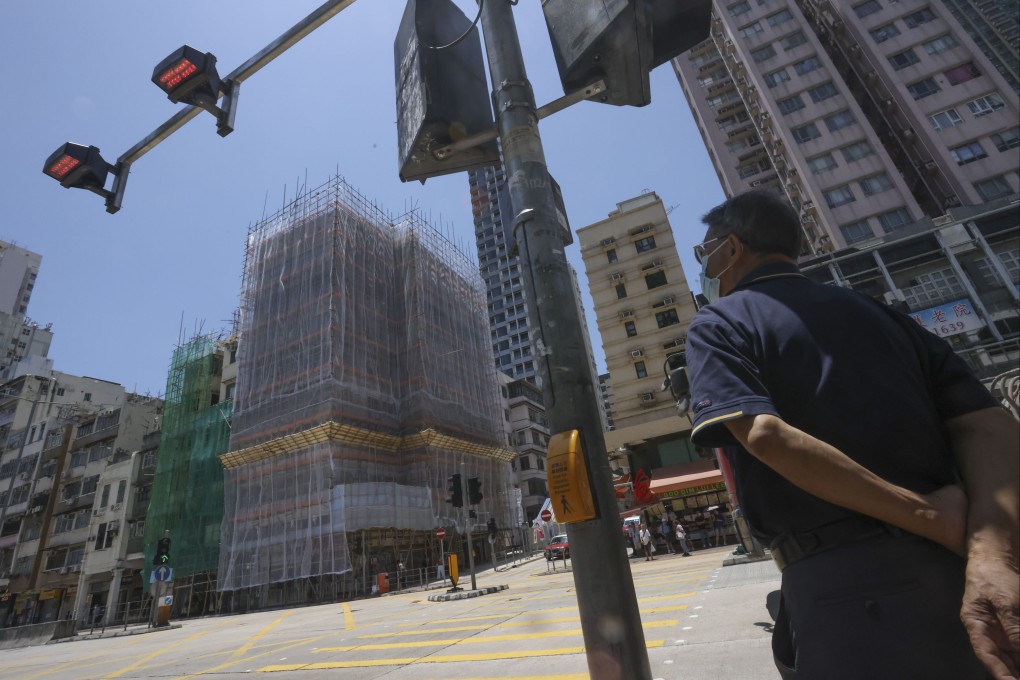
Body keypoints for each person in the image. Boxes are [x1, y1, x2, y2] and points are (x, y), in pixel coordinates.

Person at [684, 190, 1018, 679]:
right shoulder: (881, 313)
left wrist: (925, 516)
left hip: (847, 586)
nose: (704, 269)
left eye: (703, 254)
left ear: (731, 250)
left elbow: (764, 434)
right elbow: (988, 424)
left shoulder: (721, 322)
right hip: (958, 564)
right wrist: (992, 553)